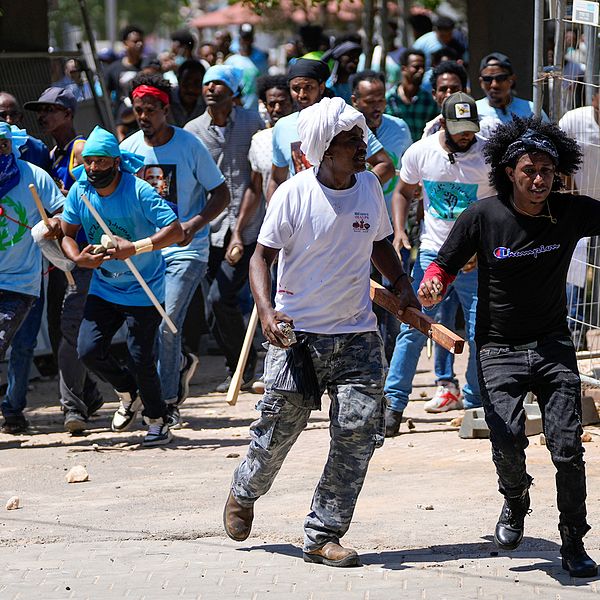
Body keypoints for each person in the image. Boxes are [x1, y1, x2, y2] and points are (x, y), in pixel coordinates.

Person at [223, 96, 418, 567]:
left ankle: (322, 534)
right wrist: (268, 313)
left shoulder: (369, 186)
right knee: (277, 432)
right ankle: (245, 489)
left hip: (356, 335)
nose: (362, 147)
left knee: (357, 434)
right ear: (325, 150)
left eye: (361, 139)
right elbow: (260, 258)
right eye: (352, 141)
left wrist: (403, 285)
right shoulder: (293, 193)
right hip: (298, 338)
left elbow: (379, 245)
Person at [418, 117, 600, 578]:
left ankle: (573, 540)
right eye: (528, 170)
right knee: (507, 441)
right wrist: (433, 285)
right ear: (508, 171)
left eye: (546, 171)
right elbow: (443, 263)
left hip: (554, 345)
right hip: (498, 348)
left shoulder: (570, 211)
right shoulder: (483, 216)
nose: (538, 180)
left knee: (567, 449)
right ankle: (515, 502)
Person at [60, 126, 184, 446]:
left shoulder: (139, 190)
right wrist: (79, 259)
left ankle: (157, 420)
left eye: (100, 162)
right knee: (87, 350)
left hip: (145, 286)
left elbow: (175, 231)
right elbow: (66, 234)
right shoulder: (80, 191)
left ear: (116, 162)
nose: (93, 168)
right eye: (88, 162)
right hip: (104, 286)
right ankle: (128, 392)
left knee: (140, 356)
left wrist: (136, 247)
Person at [121, 73, 229, 428]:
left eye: (150, 110)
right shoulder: (129, 151)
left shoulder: (189, 145)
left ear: (165, 110)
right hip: (146, 251)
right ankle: (176, 368)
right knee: (149, 327)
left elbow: (221, 194)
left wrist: (193, 227)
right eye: (139, 110)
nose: (144, 117)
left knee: (168, 321)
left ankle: (166, 403)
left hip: (188, 250)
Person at [384, 93, 494, 437]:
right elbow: (403, 191)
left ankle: (475, 404)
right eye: (459, 129)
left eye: (470, 130)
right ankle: (393, 404)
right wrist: (399, 231)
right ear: (443, 123)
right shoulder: (422, 152)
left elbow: (501, 206)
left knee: (480, 330)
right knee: (415, 324)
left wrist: (483, 247)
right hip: (434, 254)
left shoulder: (488, 156)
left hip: (476, 256)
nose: (466, 136)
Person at [25, 86, 104, 432]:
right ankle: (88, 393)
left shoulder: (80, 149)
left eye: (50, 110)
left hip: (87, 253)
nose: (43, 116)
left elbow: (89, 193)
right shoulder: (52, 154)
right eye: (39, 111)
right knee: (66, 329)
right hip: (64, 256)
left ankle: (73, 408)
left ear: (69, 114)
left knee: (72, 329)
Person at [185, 65, 264, 392]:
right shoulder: (192, 130)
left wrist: (238, 233)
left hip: (247, 228)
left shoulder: (251, 123)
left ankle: (248, 365)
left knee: (223, 298)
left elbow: (255, 181)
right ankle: (240, 365)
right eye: (208, 84)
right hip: (209, 228)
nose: (211, 89)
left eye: (219, 84)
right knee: (215, 305)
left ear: (233, 92)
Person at [0, 123, 64, 433]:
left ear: (10, 145)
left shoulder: (33, 176)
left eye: (2, 144)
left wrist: (54, 224)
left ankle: (13, 409)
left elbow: (64, 212)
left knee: (20, 346)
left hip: (20, 282)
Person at [268, 58, 394, 200]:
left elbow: (385, 165)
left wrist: (358, 194)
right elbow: (276, 179)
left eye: (309, 87)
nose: (302, 95)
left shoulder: (345, 122)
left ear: (321, 87)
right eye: (296, 89)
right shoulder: (282, 127)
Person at [559, 92, 600, 342]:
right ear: (595, 96)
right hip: (578, 207)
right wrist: (571, 194)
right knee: (573, 273)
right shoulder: (574, 120)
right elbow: (559, 158)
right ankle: (571, 335)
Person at [476, 53, 549, 129]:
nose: (494, 85)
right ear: (481, 82)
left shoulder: (531, 110)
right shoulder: (475, 111)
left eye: (500, 78)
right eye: (487, 79)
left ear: (512, 79)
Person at [385, 49, 439, 141]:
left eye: (423, 67)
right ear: (403, 69)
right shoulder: (389, 99)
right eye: (416, 67)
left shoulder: (429, 101)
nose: (421, 71)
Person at [0, 92, 51, 170]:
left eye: (14, 114)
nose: (9, 120)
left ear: (20, 118)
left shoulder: (38, 148)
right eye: (2, 115)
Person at [105, 25, 145, 116]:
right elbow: (106, 97)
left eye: (141, 41)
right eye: (135, 41)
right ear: (125, 44)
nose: (140, 44)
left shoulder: (148, 66)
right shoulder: (113, 69)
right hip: (122, 119)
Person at [323, 38, 362, 104]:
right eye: (351, 56)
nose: (355, 60)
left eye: (357, 57)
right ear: (339, 58)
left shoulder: (356, 87)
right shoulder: (328, 86)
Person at [169, 60, 206, 127]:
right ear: (178, 80)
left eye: (196, 83)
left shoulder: (207, 103)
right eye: (186, 83)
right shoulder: (167, 99)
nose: (191, 89)